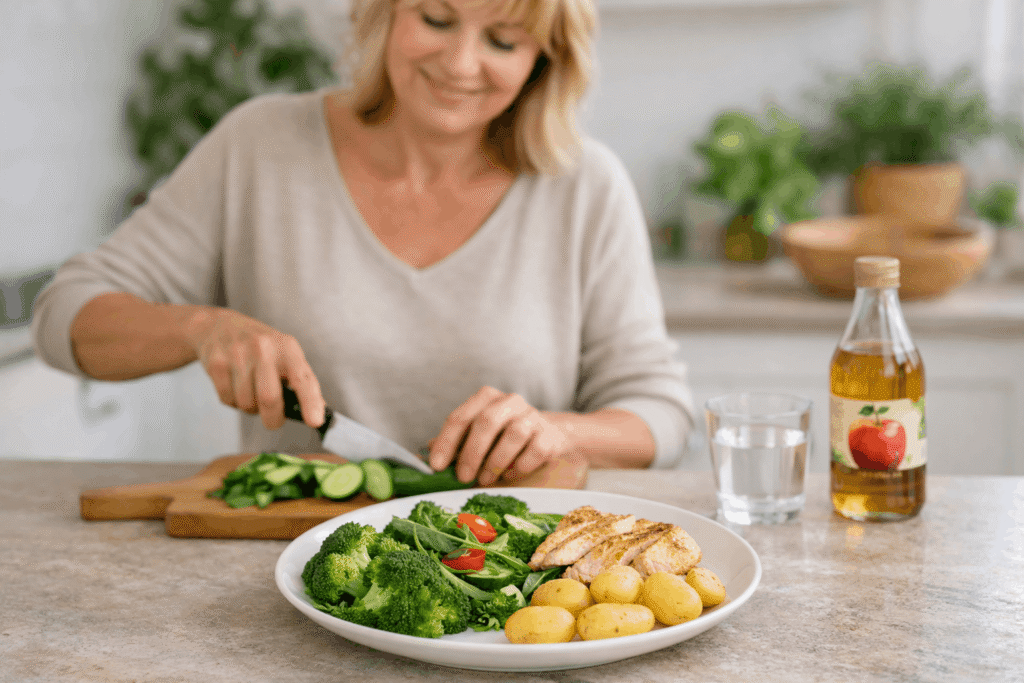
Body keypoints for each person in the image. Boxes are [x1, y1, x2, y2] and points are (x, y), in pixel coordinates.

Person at [32, 0, 695, 485]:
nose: (461, 63)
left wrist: (559, 430)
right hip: (290, 565)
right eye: (435, 20)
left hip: (515, 583)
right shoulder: (260, 147)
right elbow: (66, 315)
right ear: (381, 15)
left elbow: (660, 414)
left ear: (544, 58)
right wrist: (202, 328)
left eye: (502, 39)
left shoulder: (584, 185)